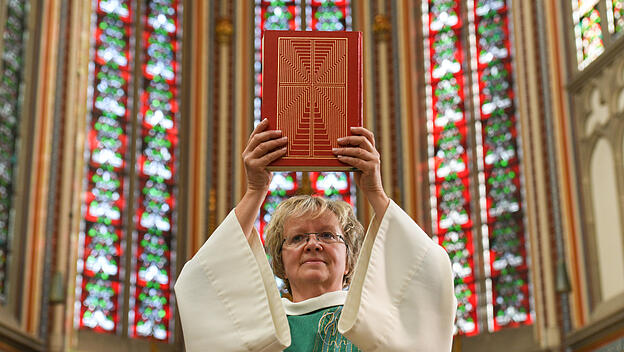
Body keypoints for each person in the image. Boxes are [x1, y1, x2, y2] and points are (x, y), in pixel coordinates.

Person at [174, 119, 457, 351]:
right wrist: (254, 191)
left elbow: (430, 276)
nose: (313, 245)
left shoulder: (376, 318)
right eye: (297, 238)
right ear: (280, 262)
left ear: (350, 259)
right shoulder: (258, 327)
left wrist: (375, 192)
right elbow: (200, 283)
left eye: (327, 235)